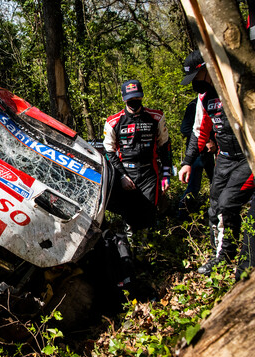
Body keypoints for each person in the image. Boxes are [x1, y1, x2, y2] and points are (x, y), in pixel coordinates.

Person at [178, 50, 255, 275]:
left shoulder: (236, 86)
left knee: (228, 201)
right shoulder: (204, 98)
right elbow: (198, 132)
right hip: (225, 157)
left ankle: (245, 260)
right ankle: (222, 256)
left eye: (196, 78)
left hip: (248, 157)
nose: (195, 85)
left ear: (207, 69)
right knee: (215, 206)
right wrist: (187, 162)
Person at [104, 79, 172, 233]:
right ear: (123, 98)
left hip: (149, 172)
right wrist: (121, 176)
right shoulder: (113, 122)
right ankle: (131, 247)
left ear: (141, 96)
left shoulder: (156, 117)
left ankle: (148, 247)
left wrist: (166, 174)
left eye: (136, 97)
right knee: (130, 215)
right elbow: (109, 152)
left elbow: (165, 146)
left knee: (148, 214)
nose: (133, 101)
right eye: (130, 98)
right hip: (127, 173)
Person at [176, 98, 216, 220]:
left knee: (216, 183)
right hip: (196, 154)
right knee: (193, 187)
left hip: (212, 154)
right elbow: (185, 128)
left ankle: (215, 214)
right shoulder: (194, 105)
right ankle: (182, 217)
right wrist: (207, 140)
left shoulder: (214, 103)